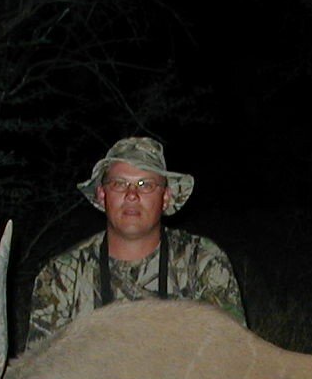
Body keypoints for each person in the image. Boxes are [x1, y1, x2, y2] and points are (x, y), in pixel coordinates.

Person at [25, 136, 244, 349]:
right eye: (119, 184)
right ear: (102, 195)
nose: (132, 195)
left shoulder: (203, 262)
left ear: (165, 197)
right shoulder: (61, 275)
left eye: (145, 185)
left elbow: (230, 357)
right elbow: (43, 373)